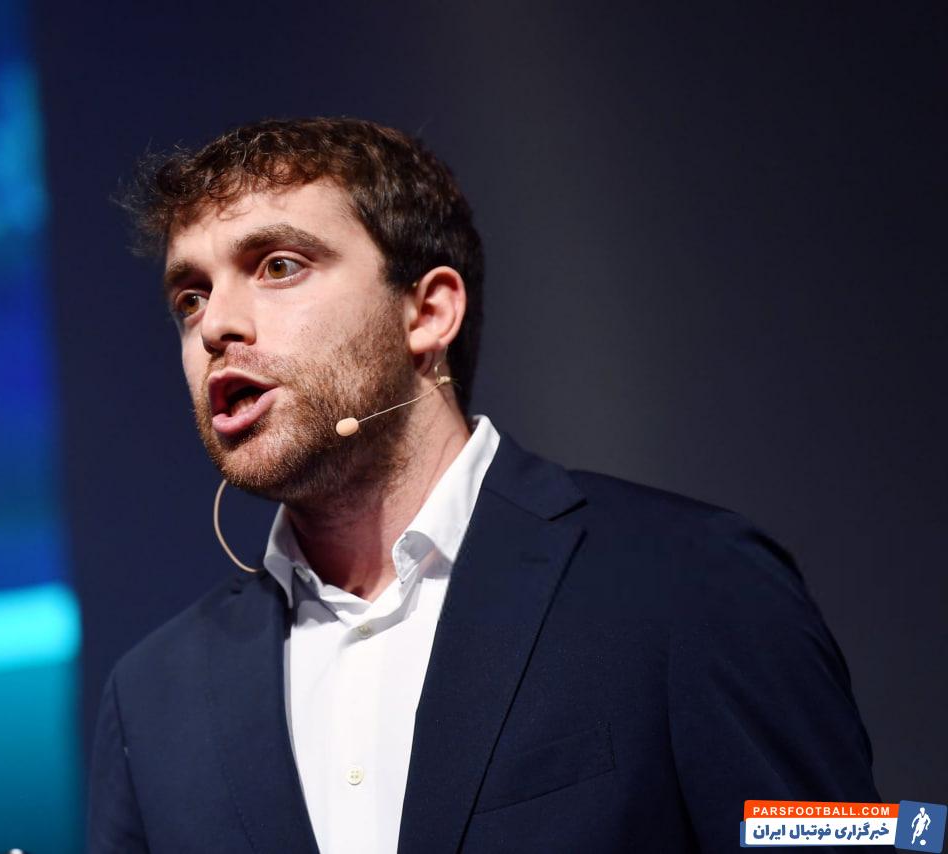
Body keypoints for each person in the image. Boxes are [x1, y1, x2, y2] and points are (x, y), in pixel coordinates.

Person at [89, 117, 879, 853]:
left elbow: (861, 839)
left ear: (428, 312)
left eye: (278, 266)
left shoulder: (690, 580)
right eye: (190, 296)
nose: (216, 326)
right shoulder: (154, 698)